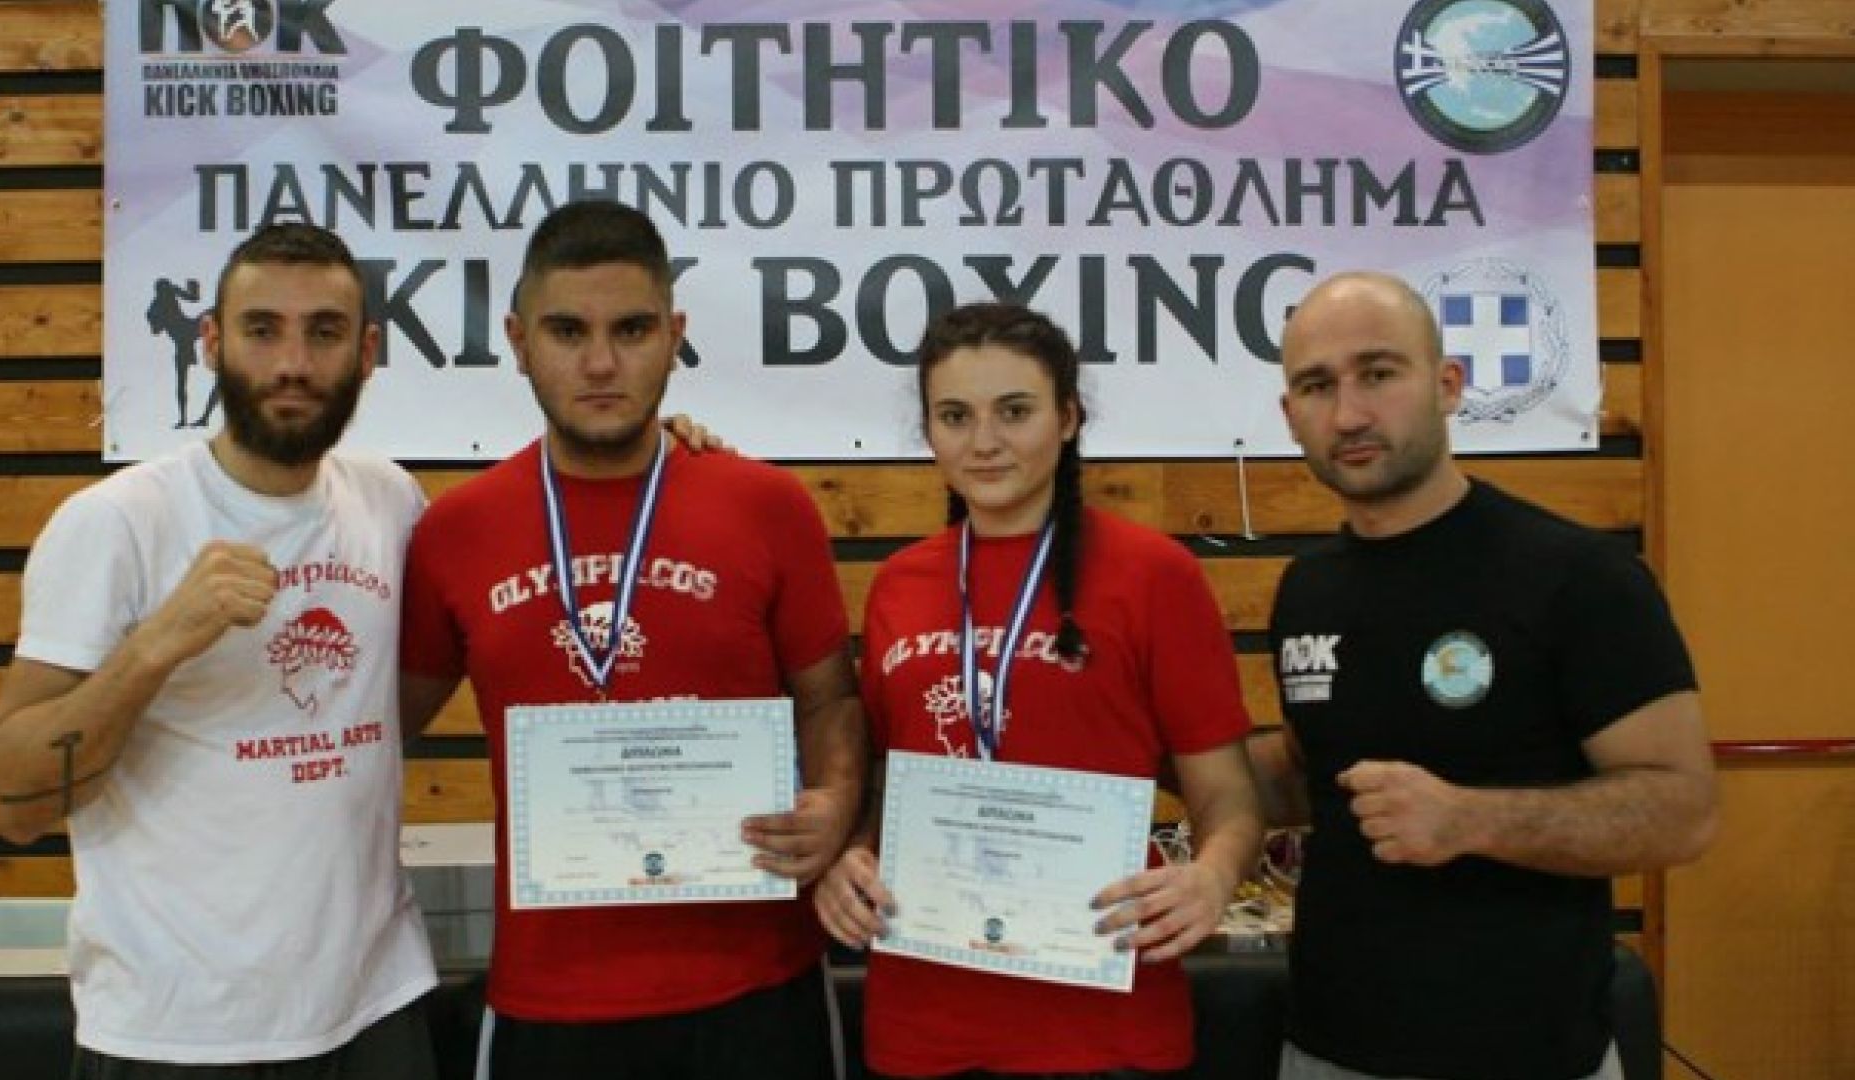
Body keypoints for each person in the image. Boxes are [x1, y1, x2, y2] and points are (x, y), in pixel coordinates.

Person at [396, 199, 867, 1080]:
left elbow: (830, 697)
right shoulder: (456, 530)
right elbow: (374, 726)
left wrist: (837, 800)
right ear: (518, 340)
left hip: (759, 988)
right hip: (550, 1004)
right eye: (567, 331)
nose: (601, 363)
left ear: (675, 335)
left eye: (633, 329)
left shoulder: (766, 505)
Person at [0, 224, 440, 1077]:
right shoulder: (118, 522)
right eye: (263, 330)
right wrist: (155, 646)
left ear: (367, 351)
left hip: (374, 1008)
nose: (293, 363)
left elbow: (392, 703)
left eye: (324, 332)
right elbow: (12, 803)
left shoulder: (389, 500)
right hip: (176, 1030)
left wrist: (657, 452)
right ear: (213, 342)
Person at [1253, 272, 1719, 1080]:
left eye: (1378, 373)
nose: (1349, 414)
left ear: (1447, 385)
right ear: (1290, 414)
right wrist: (1143, 748)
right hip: (1328, 1049)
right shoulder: (1307, 588)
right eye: (1318, 386)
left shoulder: (1576, 575)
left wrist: (1470, 819)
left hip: (1529, 1056)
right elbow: (1312, 775)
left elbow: (1684, 811)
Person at [814, 302, 1265, 1079]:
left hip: (1104, 1028)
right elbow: (885, 790)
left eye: (1014, 411)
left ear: (1068, 417)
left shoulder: (1155, 576)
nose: (984, 441)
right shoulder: (898, 586)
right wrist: (847, 861)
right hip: (924, 1024)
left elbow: (1230, 798)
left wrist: (1213, 875)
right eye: (955, 416)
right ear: (929, 431)